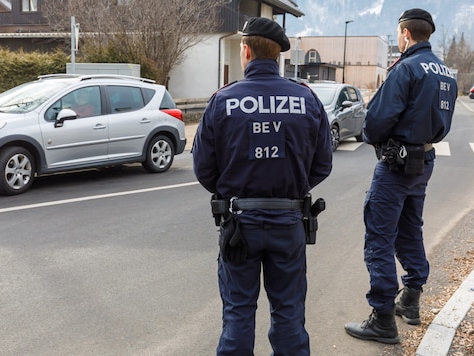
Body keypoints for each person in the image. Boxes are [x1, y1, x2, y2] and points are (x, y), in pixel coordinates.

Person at [192, 17, 333, 355]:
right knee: (288, 312)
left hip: (239, 223)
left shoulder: (223, 100)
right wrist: (292, 187)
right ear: (278, 55)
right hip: (289, 222)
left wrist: (234, 191)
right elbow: (323, 164)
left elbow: (203, 168)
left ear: (245, 51)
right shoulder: (306, 99)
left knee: (238, 312)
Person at [344, 8, 457, 344]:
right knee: (410, 227)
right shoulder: (445, 72)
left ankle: (382, 318)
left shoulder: (406, 68)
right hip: (425, 159)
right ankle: (411, 300)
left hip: (396, 163)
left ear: (405, 33)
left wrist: (373, 136)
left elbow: (377, 121)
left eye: (398, 33)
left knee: (379, 235)